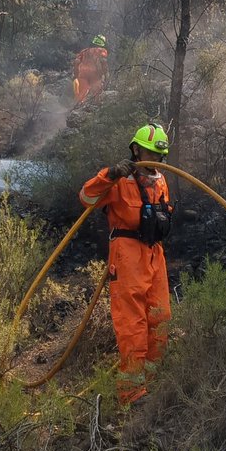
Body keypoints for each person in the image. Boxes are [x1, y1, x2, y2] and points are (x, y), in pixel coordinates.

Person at [79, 122, 173, 405]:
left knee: (160, 318)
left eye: (159, 157)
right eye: (150, 155)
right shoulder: (119, 181)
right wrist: (110, 174)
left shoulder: (161, 181)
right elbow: (86, 197)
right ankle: (132, 393)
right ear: (136, 150)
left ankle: (153, 382)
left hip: (155, 253)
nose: (155, 162)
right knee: (133, 324)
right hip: (128, 253)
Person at [73, 35, 109, 105]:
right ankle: (96, 110)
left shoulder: (84, 51)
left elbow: (76, 62)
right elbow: (103, 62)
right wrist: (106, 75)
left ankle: (74, 111)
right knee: (97, 95)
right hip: (95, 75)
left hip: (83, 74)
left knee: (80, 96)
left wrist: (76, 75)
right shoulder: (102, 51)